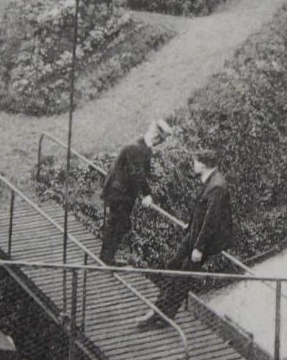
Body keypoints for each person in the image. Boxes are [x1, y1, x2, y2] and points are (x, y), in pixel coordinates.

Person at [139, 148, 232, 327]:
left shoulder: (217, 186)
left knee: (184, 276)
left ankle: (165, 315)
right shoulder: (210, 180)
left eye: (196, 162)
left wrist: (199, 247)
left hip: (206, 241)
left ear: (203, 165)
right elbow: (202, 210)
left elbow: (211, 221)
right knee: (173, 264)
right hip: (195, 233)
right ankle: (158, 308)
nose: (193, 165)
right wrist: (190, 226)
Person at [98, 119, 170, 265]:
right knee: (119, 223)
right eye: (162, 139)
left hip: (125, 193)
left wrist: (146, 190)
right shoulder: (135, 147)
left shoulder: (145, 148)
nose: (161, 142)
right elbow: (137, 172)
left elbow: (144, 172)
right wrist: (147, 194)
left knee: (117, 223)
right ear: (157, 137)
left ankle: (106, 256)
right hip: (118, 191)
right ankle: (106, 257)